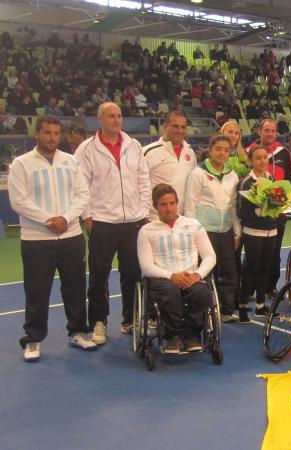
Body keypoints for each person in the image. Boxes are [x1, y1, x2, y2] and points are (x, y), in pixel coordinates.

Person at [9, 116, 96, 361]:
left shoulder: (70, 162)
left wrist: (66, 219)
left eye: (56, 133)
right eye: (47, 133)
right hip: (37, 239)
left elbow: (83, 195)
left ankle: (78, 332)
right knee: (37, 291)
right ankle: (33, 339)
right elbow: (18, 201)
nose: (52, 138)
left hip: (71, 236)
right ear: (37, 133)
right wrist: (51, 219)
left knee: (75, 288)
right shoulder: (21, 164)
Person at [74, 102, 151, 344]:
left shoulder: (134, 146)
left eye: (119, 116)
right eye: (110, 116)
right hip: (102, 222)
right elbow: (80, 186)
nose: (116, 120)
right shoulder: (86, 150)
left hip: (134, 222)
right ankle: (99, 322)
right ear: (99, 119)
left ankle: (129, 320)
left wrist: (144, 212)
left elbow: (144, 180)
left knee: (132, 273)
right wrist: (87, 216)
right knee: (99, 275)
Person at [137, 184, 216, 354]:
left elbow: (210, 256)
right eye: (163, 204)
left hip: (191, 277)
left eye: (172, 203)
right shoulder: (146, 231)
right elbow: (146, 266)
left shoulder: (193, 224)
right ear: (155, 206)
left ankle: (192, 336)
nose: (168, 208)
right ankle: (173, 337)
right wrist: (171, 276)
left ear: (177, 203)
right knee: (170, 292)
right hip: (163, 279)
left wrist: (198, 274)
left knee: (202, 293)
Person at [184, 135, 241, 323]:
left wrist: (236, 231)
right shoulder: (198, 173)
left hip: (225, 231)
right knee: (204, 271)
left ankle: (226, 310)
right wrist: (191, 232)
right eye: (218, 149)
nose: (222, 153)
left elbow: (233, 206)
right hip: (203, 231)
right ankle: (203, 308)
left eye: (226, 149)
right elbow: (190, 205)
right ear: (210, 150)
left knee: (228, 271)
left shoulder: (232, 175)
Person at [247, 118, 291, 298]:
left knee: (274, 253)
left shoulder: (284, 153)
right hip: (255, 214)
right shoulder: (249, 151)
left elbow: (289, 180)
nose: (270, 134)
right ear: (260, 131)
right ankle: (250, 289)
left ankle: (270, 287)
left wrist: (283, 204)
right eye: (266, 130)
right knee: (254, 254)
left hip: (277, 212)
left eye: (273, 131)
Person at [236, 145, 281, 322]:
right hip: (253, 232)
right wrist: (260, 211)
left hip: (272, 231)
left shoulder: (272, 179)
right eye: (258, 158)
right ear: (251, 161)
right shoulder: (246, 182)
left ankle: (261, 306)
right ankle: (242, 307)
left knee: (265, 268)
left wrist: (278, 207)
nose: (262, 161)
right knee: (251, 269)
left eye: (265, 157)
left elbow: (277, 203)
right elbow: (241, 212)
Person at [142, 111, 196, 219]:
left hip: (181, 220)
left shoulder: (190, 153)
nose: (180, 131)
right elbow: (138, 186)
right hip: (154, 219)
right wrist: (145, 215)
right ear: (165, 127)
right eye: (175, 126)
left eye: (183, 127)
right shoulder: (148, 152)